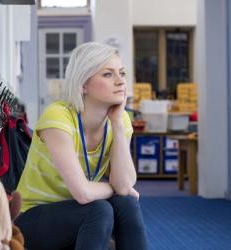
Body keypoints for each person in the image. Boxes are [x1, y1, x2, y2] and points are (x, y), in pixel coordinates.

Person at [14, 42, 147, 250]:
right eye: (108, 74)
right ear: (83, 84)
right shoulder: (58, 116)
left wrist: (118, 126)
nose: (121, 81)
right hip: (33, 219)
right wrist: (114, 188)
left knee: (126, 204)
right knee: (100, 209)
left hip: (81, 214)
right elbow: (83, 193)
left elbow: (125, 185)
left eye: (122, 73)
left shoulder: (120, 121)